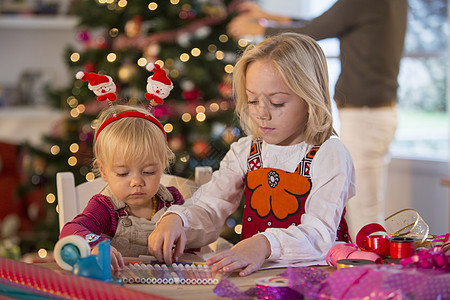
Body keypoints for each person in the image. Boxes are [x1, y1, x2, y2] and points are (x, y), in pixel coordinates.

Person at [148, 33, 356, 276]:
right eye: (253, 100)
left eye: (277, 103)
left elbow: (319, 234)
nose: (262, 114)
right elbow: (211, 206)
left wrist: (264, 244)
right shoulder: (246, 150)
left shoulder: (329, 153)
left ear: (310, 98)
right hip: (255, 279)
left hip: (315, 280)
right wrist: (178, 220)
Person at [227, 0, 408, 240]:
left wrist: (260, 29)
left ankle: (364, 274)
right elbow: (321, 24)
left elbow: (311, 33)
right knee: (369, 208)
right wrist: (266, 15)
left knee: (363, 213)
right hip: (377, 114)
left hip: (365, 115)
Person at [59, 104, 184, 270]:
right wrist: (96, 245)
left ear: (163, 166)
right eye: (123, 173)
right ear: (103, 171)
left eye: (148, 172)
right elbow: (70, 230)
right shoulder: (105, 206)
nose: (136, 182)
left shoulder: (172, 200)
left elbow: (192, 244)